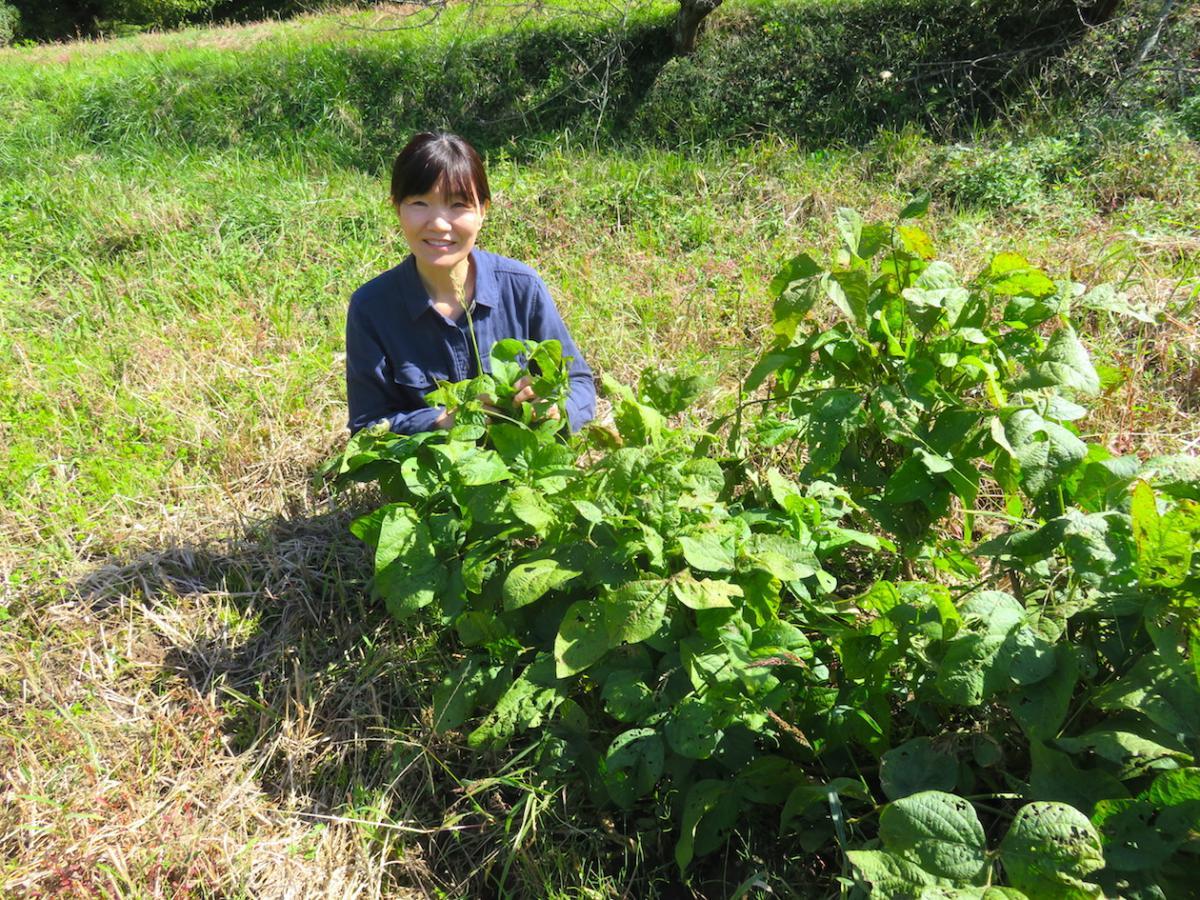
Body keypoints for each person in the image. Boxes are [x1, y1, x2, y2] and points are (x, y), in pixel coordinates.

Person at [345, 131, 596, 436]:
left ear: (482, 211)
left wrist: (556, 409)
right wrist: (444, 422)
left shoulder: (522, 288)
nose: (438, 223)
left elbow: (580, 383)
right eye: (420, 202)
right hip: (429, 478)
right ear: (397, 207)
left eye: (458, 205)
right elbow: (366, 426)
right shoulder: (372, 308)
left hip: (522, 470)